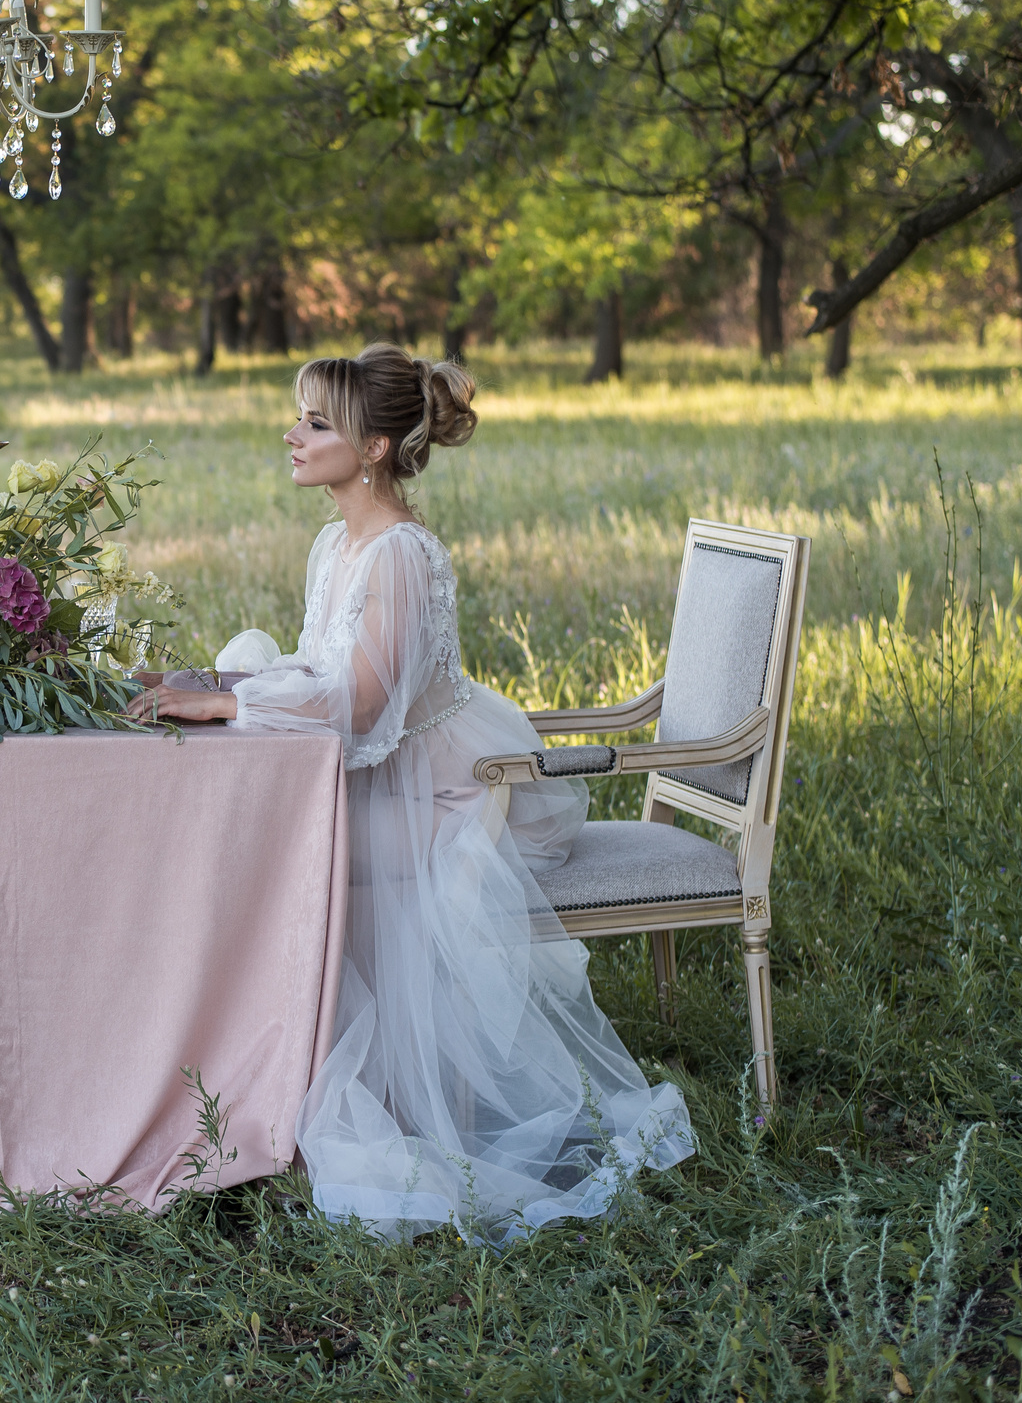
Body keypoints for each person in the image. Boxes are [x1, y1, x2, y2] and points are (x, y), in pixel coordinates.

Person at [125, 343, 695, 1243]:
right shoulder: (333, 542)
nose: (293, 434)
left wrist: (230, 699)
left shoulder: (400, 553)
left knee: (282, 858)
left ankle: (286, 1093)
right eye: (299, 417)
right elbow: (320, 669)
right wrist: (204, 680)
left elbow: (359, 700)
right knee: (253, 839)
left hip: (452, 797)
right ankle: (242, 1080)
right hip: (393, 774)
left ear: (376, 445)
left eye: (316, 422)